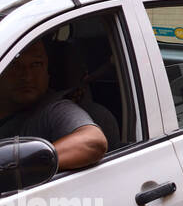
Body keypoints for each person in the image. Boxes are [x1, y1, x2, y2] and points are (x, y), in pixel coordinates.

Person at [0, 38, 108, 173]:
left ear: (47, 73)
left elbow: (93, 142)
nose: (27, 76)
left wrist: (15, 165)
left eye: (36, 64)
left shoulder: (55, 110)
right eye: (14, 65)